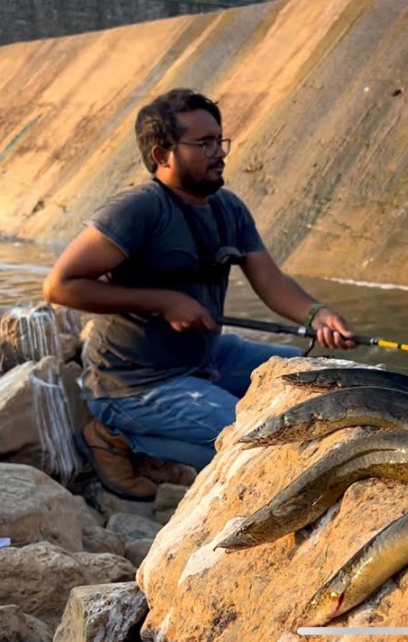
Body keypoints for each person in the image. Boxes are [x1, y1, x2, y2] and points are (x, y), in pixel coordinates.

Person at [43, 88, 355, 500]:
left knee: (332, 383)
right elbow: (59, 286)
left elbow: (272, 282)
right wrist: (163, 300)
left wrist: (316, 314)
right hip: (134, 383)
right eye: (203, 143)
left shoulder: (229, 208)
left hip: (207, 356)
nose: (219, 152)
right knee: (256, 439)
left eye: (219, 140)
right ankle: (115, 435)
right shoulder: (138, 210)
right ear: (162, 155)